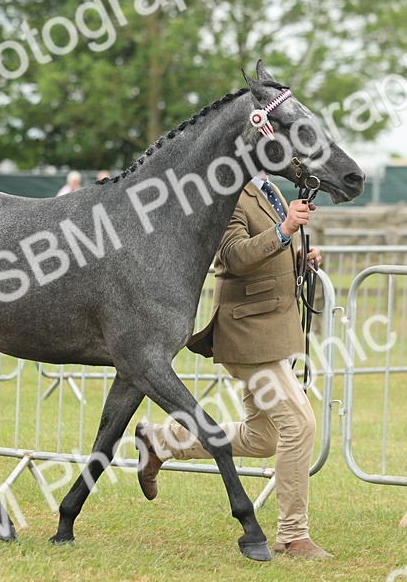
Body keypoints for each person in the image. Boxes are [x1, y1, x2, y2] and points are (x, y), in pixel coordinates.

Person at [135, 172, 330, 557]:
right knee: (300, 425)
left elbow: (271, 248)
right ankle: (293, 535)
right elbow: (235, 256)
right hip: (248, 334)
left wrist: (299, 257)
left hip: (273, 330)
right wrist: (286, 228)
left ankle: (161, 440)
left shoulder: (267, 187)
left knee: (264, 438)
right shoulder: (225, 193)